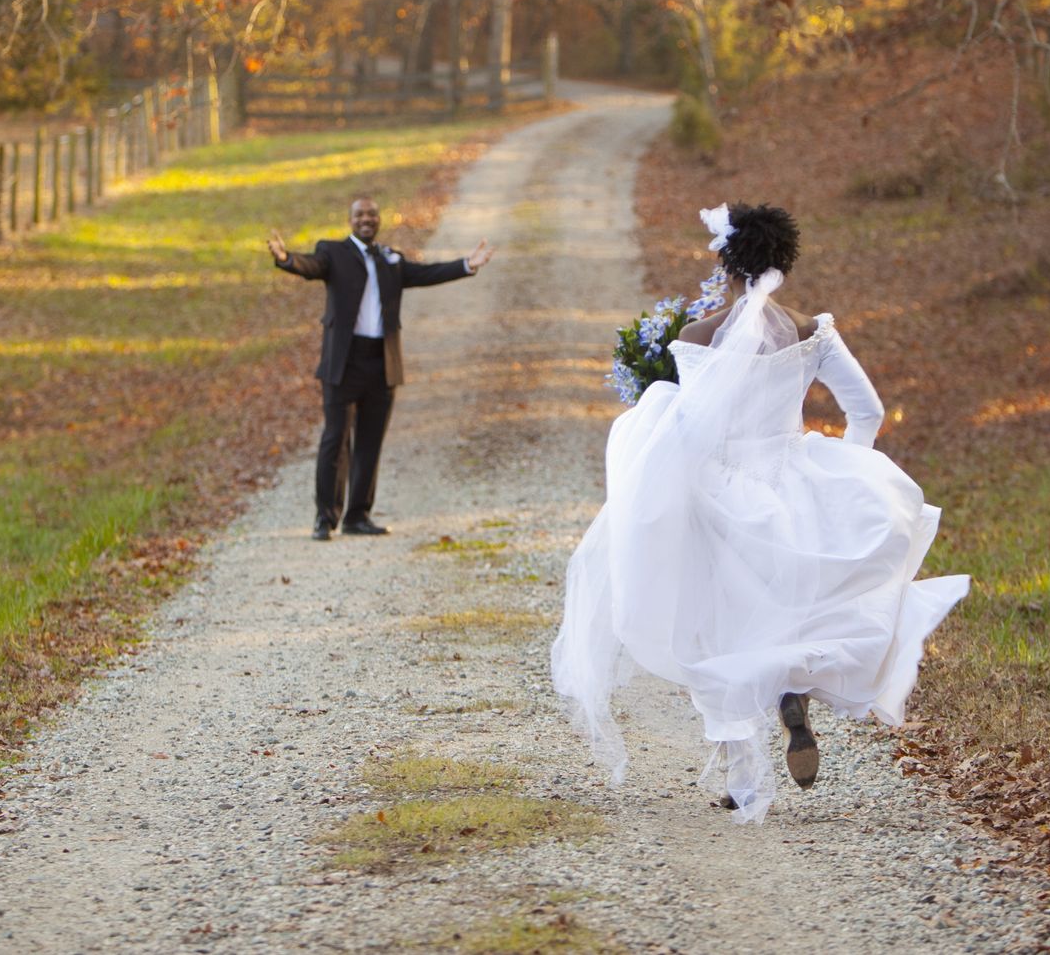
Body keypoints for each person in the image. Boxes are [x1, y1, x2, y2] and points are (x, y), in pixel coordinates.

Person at [551, 201, 969, 821]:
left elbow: (692, 434)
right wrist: (842, 468)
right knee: (794, 613)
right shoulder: (812, 332)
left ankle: (747, 783)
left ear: (726, 262)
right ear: (783, 263)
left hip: (719, 495)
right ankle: (793, 690)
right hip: (790, 481)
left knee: (716, 631)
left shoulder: (694, 341)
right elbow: (869, 412)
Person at [267, 195, 494, 540]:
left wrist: (467, 264)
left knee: (370, 442)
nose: (366, 219)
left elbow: (425, 273)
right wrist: (286, 259)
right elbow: (311, 265)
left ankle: (358, 516)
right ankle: (325, 518)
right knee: (335, 439)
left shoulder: (391, 259)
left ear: (379, 220)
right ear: (350, 220)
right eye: (360, 214)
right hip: (343, 362)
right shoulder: (333, 252)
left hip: (382, 363)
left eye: (372, 214)